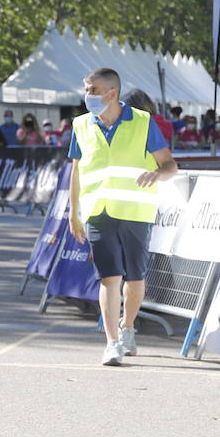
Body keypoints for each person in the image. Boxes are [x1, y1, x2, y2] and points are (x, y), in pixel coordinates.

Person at [68, 67, 176, 366]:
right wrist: (73, 214)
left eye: (92, 90)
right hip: (97, 212)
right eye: (86, 89)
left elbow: (170, 165)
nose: (86, 95)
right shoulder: (80, 125)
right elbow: (76, 171)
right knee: (109, 278)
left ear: (111, 93)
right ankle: (112, 342)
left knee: (136, 276)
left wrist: (157, 173)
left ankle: (128, 326)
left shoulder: (143, 123)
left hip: (135, 212)